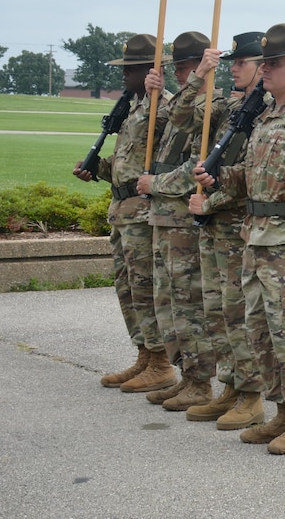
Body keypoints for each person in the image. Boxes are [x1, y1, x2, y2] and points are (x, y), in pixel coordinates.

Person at [193, 24, 285, 455]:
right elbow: (256, 176)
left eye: (272, 64)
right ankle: (283, 412)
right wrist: (220, 174)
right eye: (265, 64)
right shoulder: (268, 116)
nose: (265, 71)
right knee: (264, 333)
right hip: (259, 240)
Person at [73, 34, 174, 393]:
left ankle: (161, 362)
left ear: (150, 71)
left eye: (129, 70)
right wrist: (97, 169)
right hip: (122, 211)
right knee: (128, 287)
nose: (123, 76)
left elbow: (167, 146)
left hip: (143, 213)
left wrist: (155, 96)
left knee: (146, 287)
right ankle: (145, 355)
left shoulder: (163, 106)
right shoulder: (132, 106)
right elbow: (127, 163)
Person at [179, 32, 268, 430]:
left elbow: (257, 178)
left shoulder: (266, 112)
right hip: (214, 226)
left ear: (262, 67)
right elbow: (180, 117)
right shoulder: (233, 107)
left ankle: (251, 395)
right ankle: (231, 386)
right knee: (216, 314)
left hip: (236, 227)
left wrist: (209, 201)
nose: (233, 68)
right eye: (232, 62)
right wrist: (200, 74)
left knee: (239, 315)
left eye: (241, 63)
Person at [136, 31, 216, 411]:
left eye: (183, 68)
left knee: (188, 303)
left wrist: (158, 184)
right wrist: (152, 89)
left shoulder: (211, 104)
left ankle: (200, 380)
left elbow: (197, 166)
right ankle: (185, 374)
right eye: (179, 69)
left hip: (184, 215)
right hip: (164, 217)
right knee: (167, 302)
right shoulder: (181, 101)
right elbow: (166, 117)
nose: (181, 75)